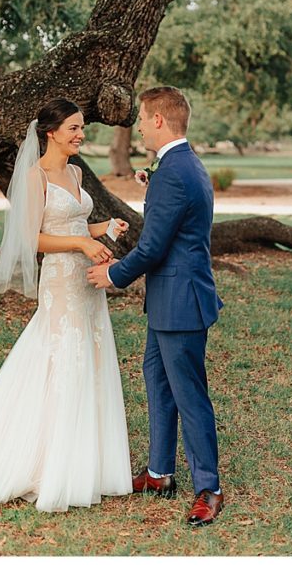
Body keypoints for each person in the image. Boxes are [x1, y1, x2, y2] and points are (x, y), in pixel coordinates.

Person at [0, 98, 133, 512]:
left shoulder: (74, 172)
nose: (81, 134)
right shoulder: (35, 177)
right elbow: (32, 237)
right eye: (73, 128)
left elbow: (73, 222)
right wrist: (80, 242)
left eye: (81, 128)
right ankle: (47, 463)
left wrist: (104, 227)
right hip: (60, 280)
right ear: (51, 132)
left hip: (87, 281)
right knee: (62, 360)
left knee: (89, 359)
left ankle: (87, 461)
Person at [88, 86, 225, 527]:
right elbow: (175, 218)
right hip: (170, 299)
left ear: (160, 121)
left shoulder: (174, 172)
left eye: (144, 119)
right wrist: (154, 184)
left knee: (189, 396)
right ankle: (160, 473)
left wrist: (113, 275)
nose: (140, 125)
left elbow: (151, 247)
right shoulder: (183, 165)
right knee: (158, 383)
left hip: (180, 302)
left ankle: (209, 488)